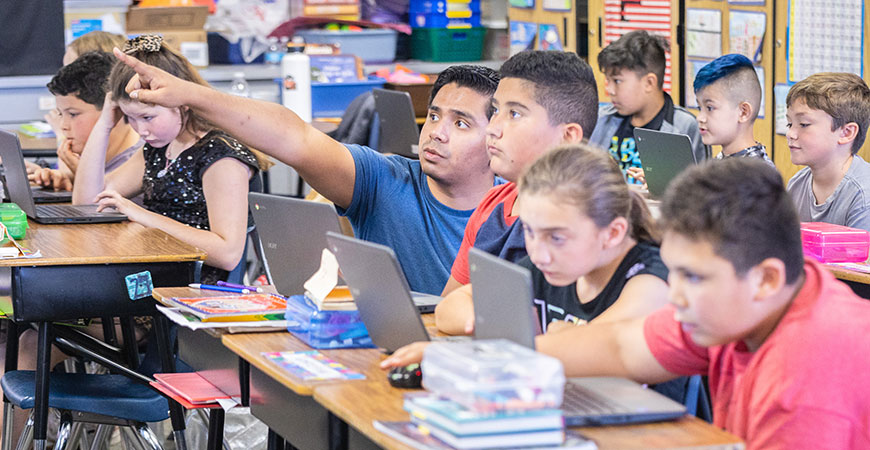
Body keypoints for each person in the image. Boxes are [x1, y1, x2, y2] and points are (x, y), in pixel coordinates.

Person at [113, 49, 500, 295]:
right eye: (433, 116)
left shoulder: (520, 210)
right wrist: (191, 95)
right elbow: (294, 137)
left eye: (461, 123)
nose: (437, 132)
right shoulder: (384, 181)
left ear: (496, 136)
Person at [74, 35, 262, 284]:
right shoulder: (161, 148)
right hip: (156, 280)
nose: (140, 130)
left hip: (195, 296)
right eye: (130, 117)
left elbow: (227, 254)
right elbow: (86, 203)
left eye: (148, 117)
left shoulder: (220, 157)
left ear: (182, 103)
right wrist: (105, 124)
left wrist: (143, 216)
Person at [435, 50, 598, 333]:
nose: (493, 128)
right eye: (495, 111)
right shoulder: (494, 204)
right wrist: (491, 323)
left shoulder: (595, 220)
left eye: (514, 114)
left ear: (567, 137)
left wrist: (489, 320)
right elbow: (448, 306)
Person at [588, 30, 707, 184]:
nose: (609, 90)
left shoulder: (685, 127)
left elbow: (696, 192)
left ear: (649, 83)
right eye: (608, 80)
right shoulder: (601, 119)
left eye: (617, 81)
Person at [29, 51, 142, 191]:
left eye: (73, 114)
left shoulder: (141, 160)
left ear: (113, 110)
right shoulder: (102, 157)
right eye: (60, 114)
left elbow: (107, 206)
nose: (63, 126)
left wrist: (82, 173)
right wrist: (66, 177)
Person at [785, 72, 870, 231]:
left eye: (803, 124)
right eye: (790, 124)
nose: (790, 134)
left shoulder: (864, 196)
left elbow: (859, 256)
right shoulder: (796, 185)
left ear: (846, 133)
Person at [694, 54, 772, 163]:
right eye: (699, 108)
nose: (700, 118)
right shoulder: (722, 160)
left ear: (743, 112)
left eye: (710, 108)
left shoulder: (758, 175)